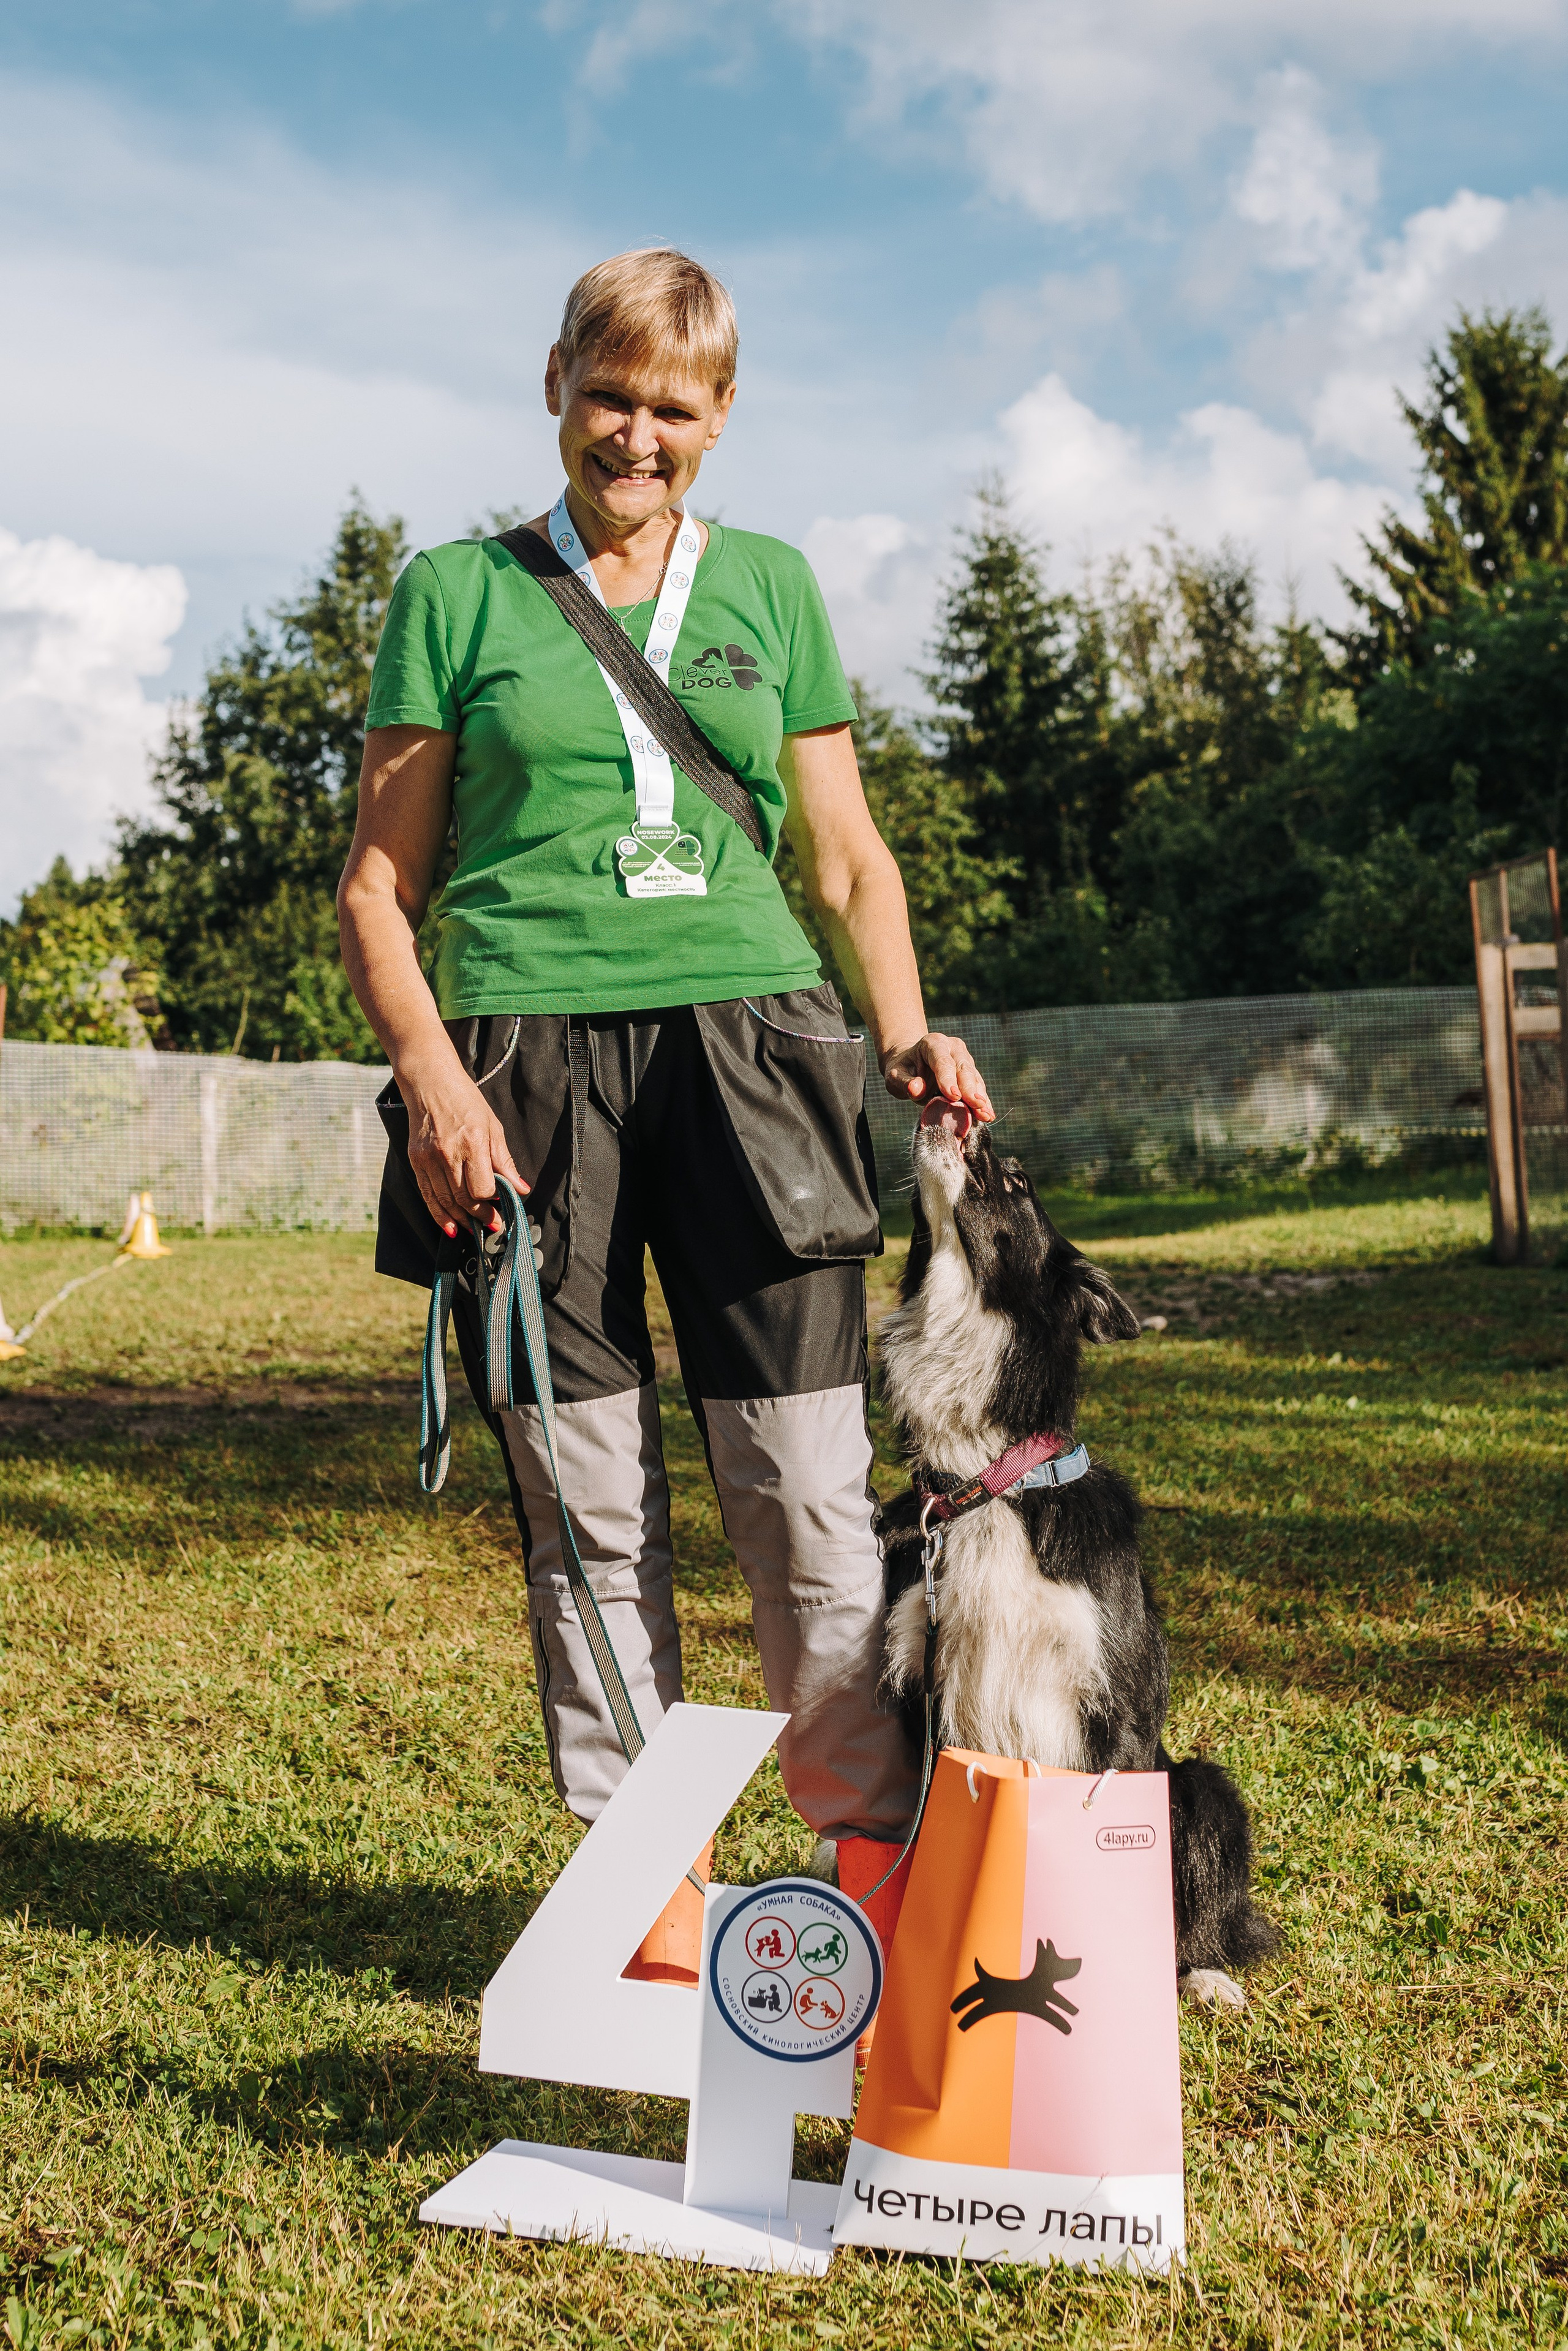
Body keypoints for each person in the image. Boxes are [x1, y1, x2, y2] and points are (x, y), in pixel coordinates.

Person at [337, 247, 992, 1975]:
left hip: (756, 1056)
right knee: (585, 1495)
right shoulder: (456, 592)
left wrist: (909, 1032)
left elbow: (846, 854)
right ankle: (649, 1903)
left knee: (804, 1487)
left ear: (721, 417)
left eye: (674, 407)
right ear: (554, 379)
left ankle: (871, 1871)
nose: (637, 434)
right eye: (610, 394)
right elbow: (376, 889)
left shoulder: (771, 584)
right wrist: (432, 1089)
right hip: (518, 1066)